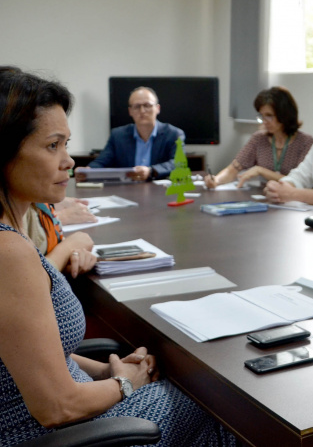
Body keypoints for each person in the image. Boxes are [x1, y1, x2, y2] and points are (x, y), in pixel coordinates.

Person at [0, 66, 235, 445]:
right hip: (50, 430)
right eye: (52, 145)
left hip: (64, 410)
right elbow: (57, 406)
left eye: (66, 144)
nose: (69, 161)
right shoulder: (7, 252)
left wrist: (104, 373)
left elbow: (24, 355)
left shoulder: (11, 236)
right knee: (221, 408)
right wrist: (126, 384)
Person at [205, 87, 313, 189]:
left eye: (269, 116)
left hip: (294, 202)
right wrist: (216, 180)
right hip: (264, 197)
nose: (264, 121)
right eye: (262, 116)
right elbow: (233, 169)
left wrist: (261, 171)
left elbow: (299, 181)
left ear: (284, 114)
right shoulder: (259, 139)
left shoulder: (305, 142)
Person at [85, 86, 185, 181]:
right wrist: (86, 171)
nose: (142, 111)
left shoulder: (174, 134)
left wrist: (151, 171)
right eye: (137, 106)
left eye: (147, 105)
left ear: (157, 108)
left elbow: (177, 164)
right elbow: (102, 162)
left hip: (159, 190)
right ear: (130, 111)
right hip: (127, 189)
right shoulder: (118, 135)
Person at [22, 202, 98, 278]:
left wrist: (67, 261)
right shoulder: (20, 213)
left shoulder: (42, 203)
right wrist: (67, 248)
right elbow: (30, 281)